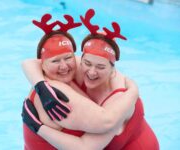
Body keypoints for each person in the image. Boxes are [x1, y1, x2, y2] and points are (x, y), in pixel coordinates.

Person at [22, 9, 142, 150]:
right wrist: (133, 91)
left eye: (68, 58)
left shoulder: (75, 70)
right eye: (55, 61)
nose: (64, 66)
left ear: (76, 57)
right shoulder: (54, 93)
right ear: (42, 63)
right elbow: (104, 125)